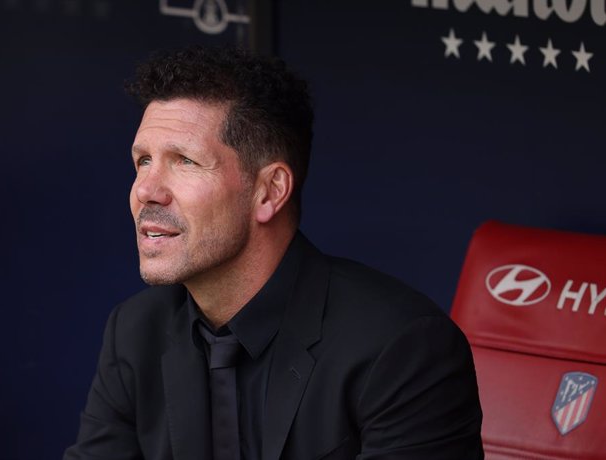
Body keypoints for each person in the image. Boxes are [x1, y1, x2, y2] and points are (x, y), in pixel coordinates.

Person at [64, 46, 483, 460]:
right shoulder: (136, 331)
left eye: (185, 162)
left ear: (270, 191)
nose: (145, 191)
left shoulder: (401, 348)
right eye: (143, 161)